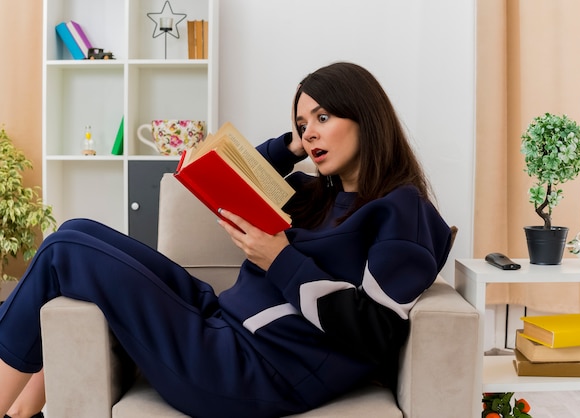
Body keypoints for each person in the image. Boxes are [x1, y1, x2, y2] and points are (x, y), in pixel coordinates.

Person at [0, 62, 452, 418]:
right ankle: (23, 407)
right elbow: (234, 176)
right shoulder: (319, 195)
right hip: (218, 322)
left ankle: (13, 405)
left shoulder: (402, 210)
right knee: (77, 231)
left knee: (65, 251)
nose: (310, 130)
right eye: (302, 122)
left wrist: (280, 259)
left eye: (324, 116)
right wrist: (291, 146)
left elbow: (378, 332)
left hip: (244, 370)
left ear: (366, 118)